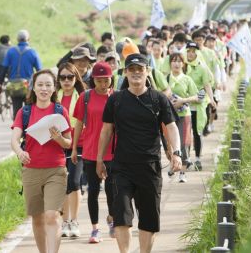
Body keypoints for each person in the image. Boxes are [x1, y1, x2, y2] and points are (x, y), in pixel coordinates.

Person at [96, 53, 182, 253]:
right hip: (121, 167)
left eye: (140, 69)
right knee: (122, 217)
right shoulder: (116, 99)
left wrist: (176, 153)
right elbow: (106, 130)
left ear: (147, 72)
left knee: (149, 219)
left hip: (149, 167)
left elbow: (171, 127)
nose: (136, 73)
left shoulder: (158, 98)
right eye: (131, 69)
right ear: (125, 72)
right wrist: (100, 159)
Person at [10, 69, 72, 253]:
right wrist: (20, 152)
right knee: (37, 218)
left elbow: (69, 143)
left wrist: (59, 139)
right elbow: (14, 139)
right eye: (40, 85)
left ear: (54, 89)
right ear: (33, 88)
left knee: (52, 216)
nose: (44, 89)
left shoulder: (60, 112)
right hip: (31, 170)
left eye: (48, 85)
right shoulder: (25, 112)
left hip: (56, 169)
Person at [72, 62, 116, 243]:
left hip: (113, 151)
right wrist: (74, 148)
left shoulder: (117, 97)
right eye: (99, 80)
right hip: (90, 150)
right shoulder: (85, 97)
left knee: (112, 189)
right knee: (93, 191)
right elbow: (78, 124)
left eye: (106, 80)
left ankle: (112, 218)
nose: (103, 84)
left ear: (111, 80)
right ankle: (95, 229)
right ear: (93, 80)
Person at [56, 63, 86, 238]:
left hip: (79, 144)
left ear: (76, 78)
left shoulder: (83, 97)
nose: (66, 81)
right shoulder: (54, 98)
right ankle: (65, 221)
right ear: (58, 80)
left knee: (74, 182)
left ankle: (74, 221)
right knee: (63, 185)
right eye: (63, 77)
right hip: (58, 145)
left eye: (70, 77)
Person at [166, 53, 200, 183]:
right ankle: (173, 165)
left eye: (179, 61)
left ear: (183, 64)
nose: (176, 63)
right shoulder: (166, 78)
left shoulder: (187, 79)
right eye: (174, 61)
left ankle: (182, 172)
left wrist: (182, 100)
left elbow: (197, 97)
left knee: (184, 143)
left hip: (184, 114)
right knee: (170, 144)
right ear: (170, 63)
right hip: (169, 116)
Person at [185, 42, 216, 170]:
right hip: (185, 104)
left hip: (198, 105)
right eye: (189, 51)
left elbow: (206, 85)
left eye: (193, 51)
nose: (191, 53)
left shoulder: (202, 68)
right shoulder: (183, 66)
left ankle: (197, 158)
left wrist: (211, 99)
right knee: (186, 133)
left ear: (197, 53)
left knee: (197, 132)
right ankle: (186, 159)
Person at [0, 30, 43, 118]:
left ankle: (17, 128)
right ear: (28, 39)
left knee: (17, 109)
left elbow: (3, 68)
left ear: (17, 39)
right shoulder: (32, 52)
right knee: (29, 110)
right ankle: (27, 129)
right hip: (28, 86)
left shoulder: (11, 51)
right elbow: (39, 70)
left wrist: (0, 83)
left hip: (14, 86)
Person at [0, 35, 11, 111]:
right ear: (8, 41)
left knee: (0, 85)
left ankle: (0, 104)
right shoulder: (11, 48)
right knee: (12, 82)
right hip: (7, 68)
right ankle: (10, 97)